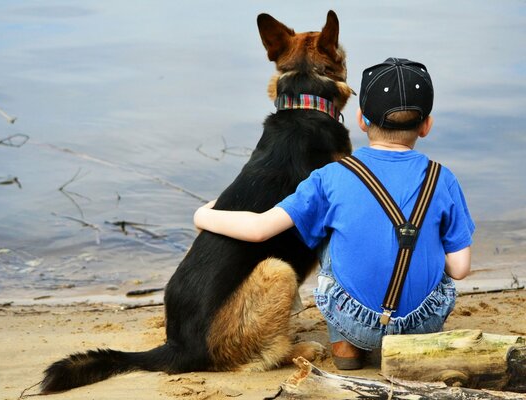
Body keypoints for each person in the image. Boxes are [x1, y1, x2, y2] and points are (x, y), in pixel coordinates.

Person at [194, 58, 475, 370]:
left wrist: (203, 215)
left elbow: (259, 229)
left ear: (361, 120)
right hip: (422, 324)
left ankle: (346, 349)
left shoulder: (329, 176)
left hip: (354, 320)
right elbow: (460, 268)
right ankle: (407, 339)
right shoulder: (443, 178)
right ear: (427, 126)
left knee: (324, 226)